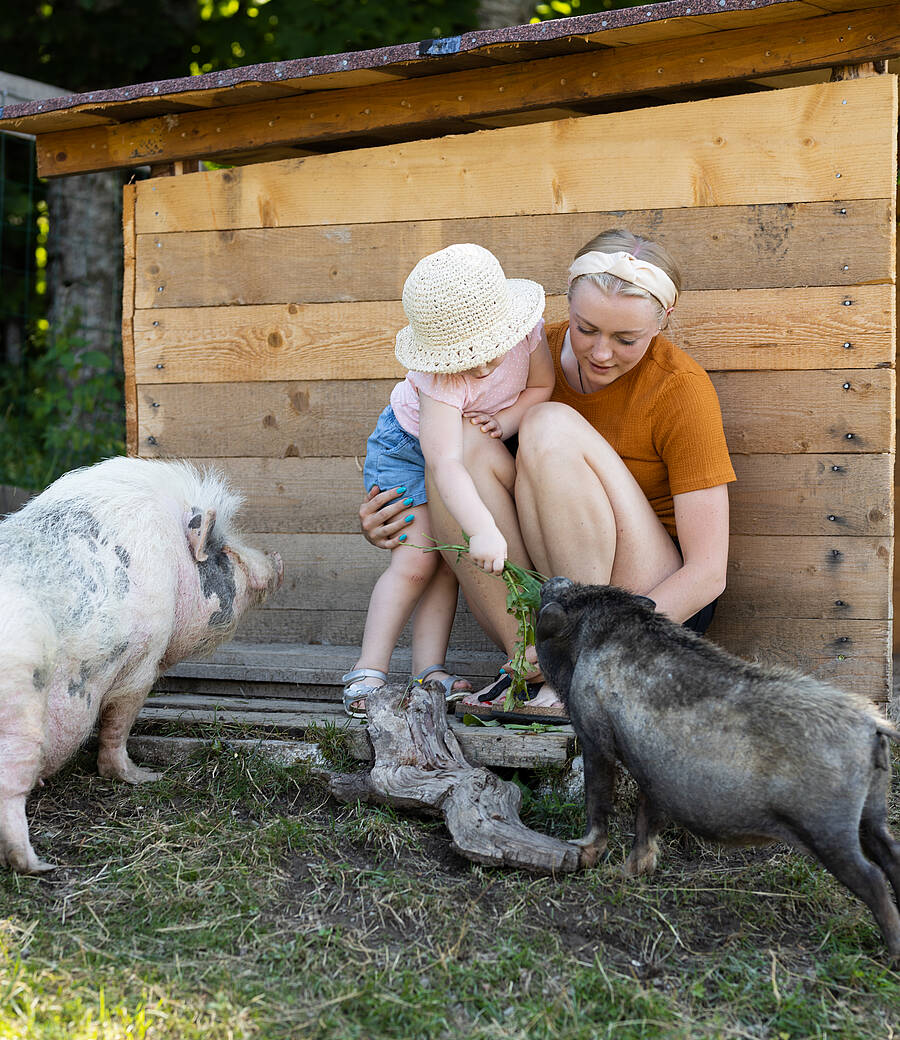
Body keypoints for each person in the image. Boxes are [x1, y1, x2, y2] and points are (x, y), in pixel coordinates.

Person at [359, 229, 736, 721]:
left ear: (663, 321)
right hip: (541, 607)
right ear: (566, 305)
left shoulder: (679, 389)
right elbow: (448, 462)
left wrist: (596, 636)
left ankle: (578, 665)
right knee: (455, 445)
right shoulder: (513, 346)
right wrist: (400, 517)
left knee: (547, 421)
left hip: (642, 610)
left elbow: (708, 575)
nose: (601, 352)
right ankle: (533, 665)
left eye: (626, 339)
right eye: (586, 329)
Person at [341, 242, 554, 716]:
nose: (479, 366)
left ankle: (428, 672)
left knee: (447, 562)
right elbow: (444, 465)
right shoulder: (442, 378)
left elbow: (541, 386)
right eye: (465, 356)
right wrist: (482, 529)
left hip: (464, 447)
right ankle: (367, 671)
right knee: (418, 561)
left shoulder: (526, 334)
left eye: (487, 350)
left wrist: (510, 420)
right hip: (411, 450)